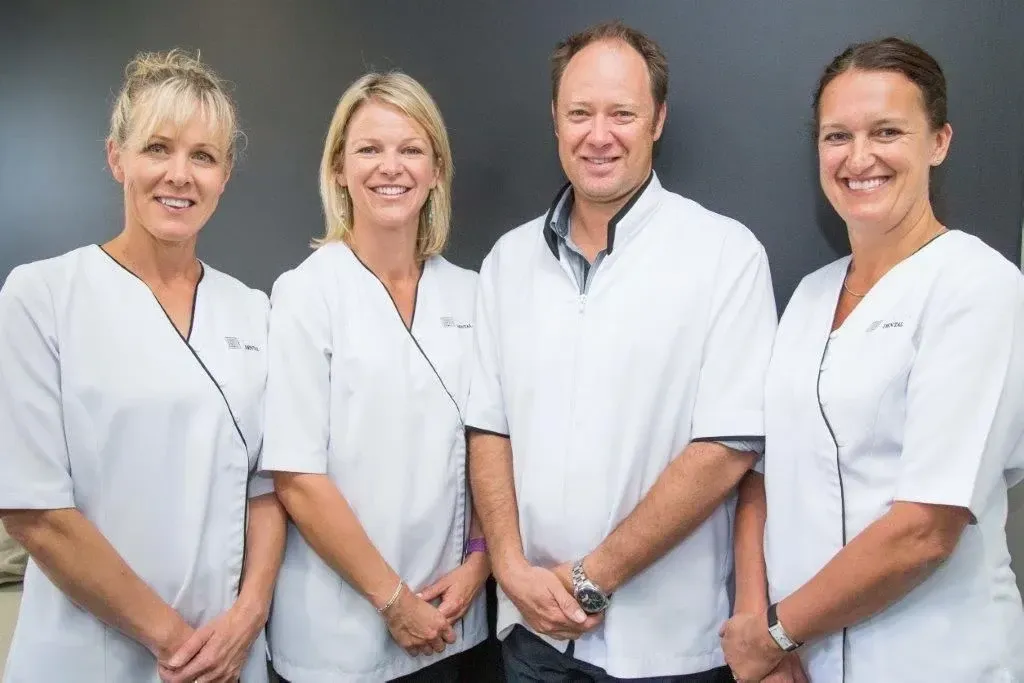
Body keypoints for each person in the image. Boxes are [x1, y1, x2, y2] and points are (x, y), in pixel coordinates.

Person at [466, 20, 778, 682]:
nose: (598, 134)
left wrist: (592, 576)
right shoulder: (506, 263)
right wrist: (511, 567)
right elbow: (488, 427)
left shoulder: (726, 255)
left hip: (668, 651)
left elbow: (727, 448)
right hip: (531, 638)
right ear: (555, 118)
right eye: (580, 112)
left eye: (622, 113)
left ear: (658, 119)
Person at [721, 37, 1024, 683]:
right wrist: (756, 621)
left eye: (887, 131)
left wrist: (777, 630)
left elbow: (924, 526)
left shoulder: (977, 287)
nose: (859, 158)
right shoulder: (809, 296)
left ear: (938, 141)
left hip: (934, 659)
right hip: (802, 660)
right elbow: (762, 474)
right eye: (837, 136)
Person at [0, 49, 285, 682]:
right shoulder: (43, 296)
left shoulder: (253, 310)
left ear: (225, 174)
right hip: (90, 658)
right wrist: (175, 642)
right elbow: (34, 511)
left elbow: (267, 487)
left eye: (203, 156)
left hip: (229, 656)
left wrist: (248, 617)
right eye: (158, 148)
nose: (179, 175)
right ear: (116, 158)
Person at [261, 71, 489, 683]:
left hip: (453, 621)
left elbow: (491, 444)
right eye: (369, 149)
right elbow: (297, 476)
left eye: (411, 149)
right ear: (338, 168)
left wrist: (479, 559)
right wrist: (393, 600)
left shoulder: (472, 295)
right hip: (337, 638)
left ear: (437, 168)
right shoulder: (306, 294)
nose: (392, 167)